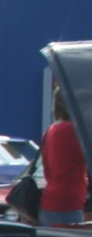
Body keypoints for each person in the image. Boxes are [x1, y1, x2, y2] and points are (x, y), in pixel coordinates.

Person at [40, 89, 88, 228]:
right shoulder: (72, 131)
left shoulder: (50, 130)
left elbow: (47, 169)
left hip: (50, 200)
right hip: (68, 202)